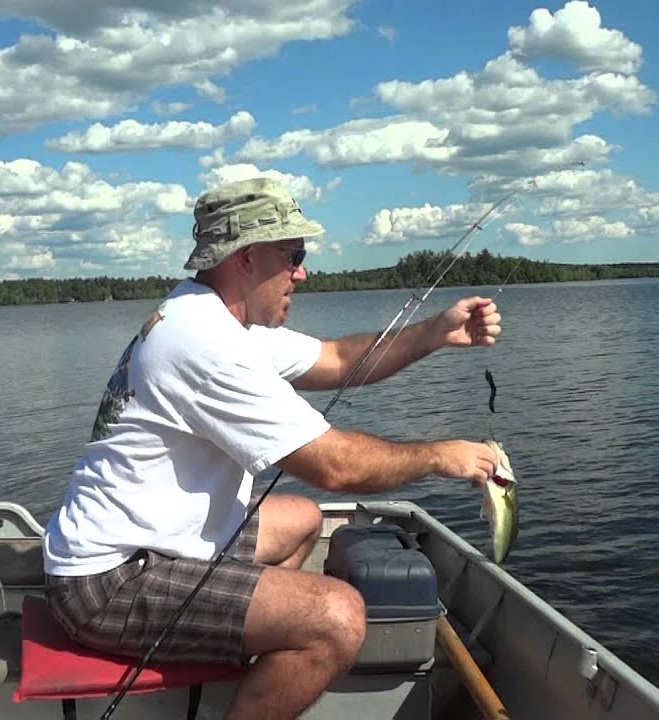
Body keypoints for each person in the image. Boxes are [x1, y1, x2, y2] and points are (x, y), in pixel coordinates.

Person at [42, 176, 504, 720]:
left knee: (303, 520)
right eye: (293, 255)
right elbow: (333, 465)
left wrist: (435, 333)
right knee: (339, 619)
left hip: (157, 541)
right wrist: (436, 456)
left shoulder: (218, 318)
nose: (302, 272)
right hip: (110, 579)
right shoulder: (204, 343)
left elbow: (335, 359)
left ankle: (247, 663)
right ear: (246, 257)